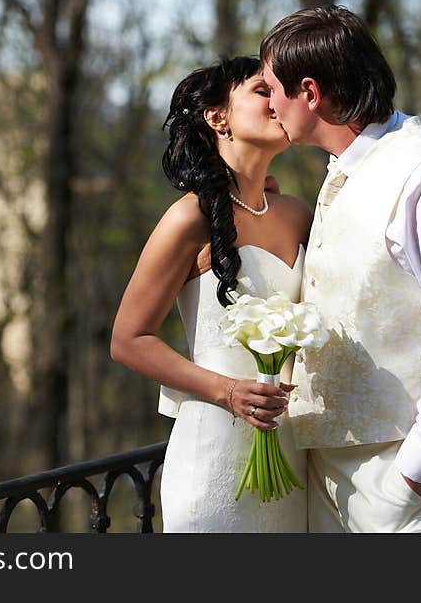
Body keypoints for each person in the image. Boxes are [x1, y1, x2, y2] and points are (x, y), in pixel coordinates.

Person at [259, 5, 421, 533]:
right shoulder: (341, 174)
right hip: (324, 474)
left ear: (309, 92)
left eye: (270, 88)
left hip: (407, 475)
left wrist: (413, 479)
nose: (269, 103)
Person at [110, 56, 313, 532]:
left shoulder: (299, 213)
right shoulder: (187, 219)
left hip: (292, 457)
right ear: (218, 117)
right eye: (262, 91)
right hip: (215, 454)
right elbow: (128, 339)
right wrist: (227, 392)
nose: (278, 101)